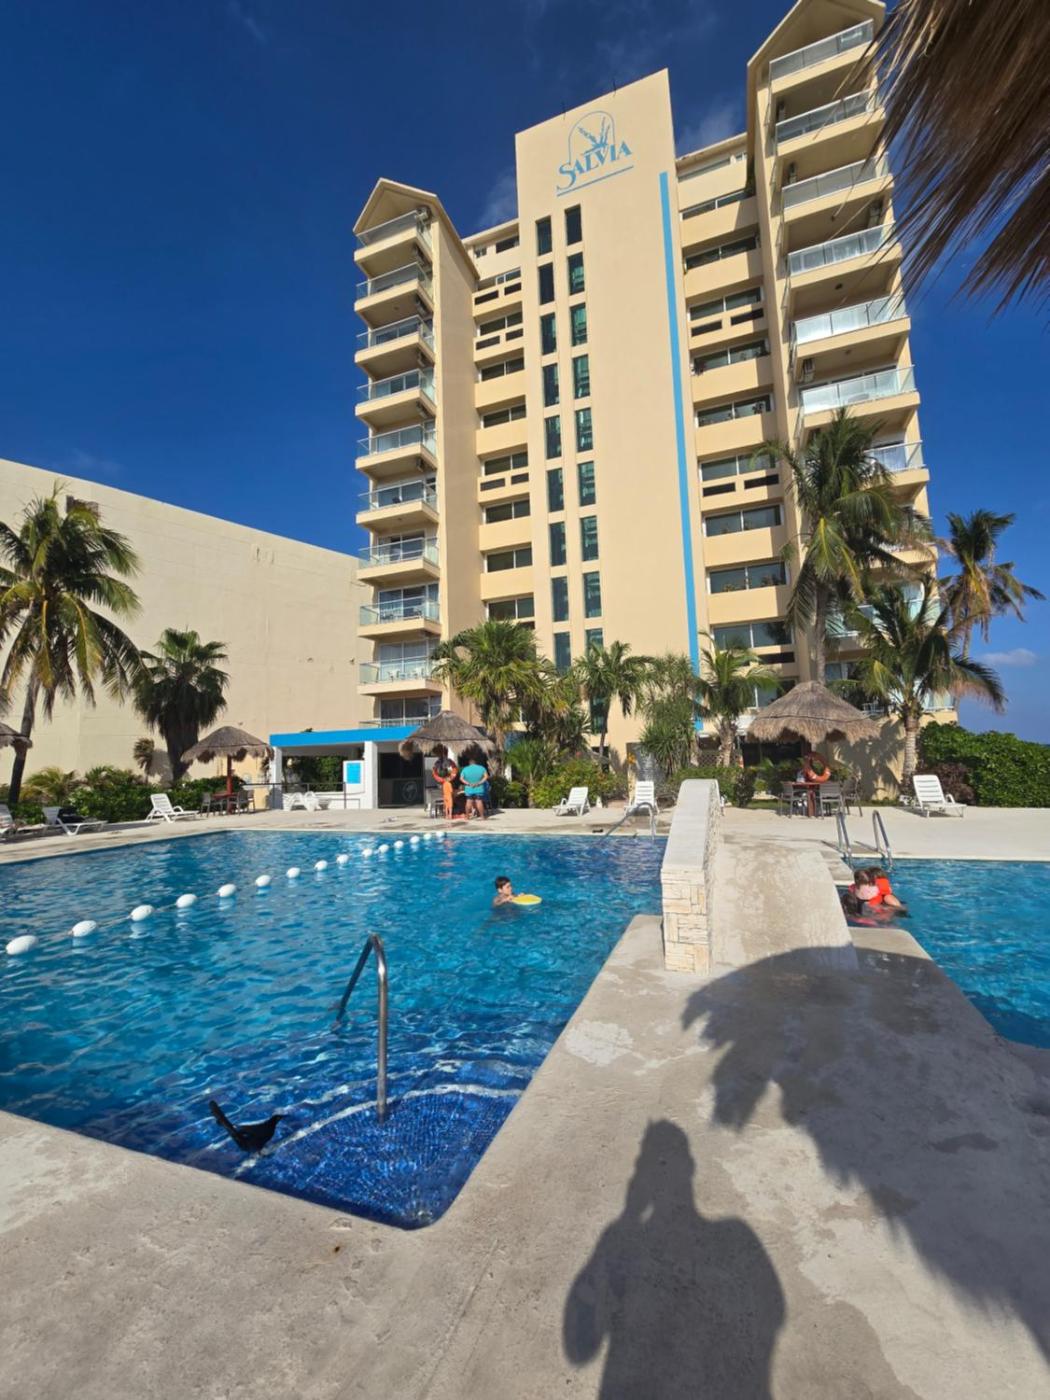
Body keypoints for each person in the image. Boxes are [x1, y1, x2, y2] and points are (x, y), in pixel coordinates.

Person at [459, 754, 490, 820]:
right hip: (479, 788)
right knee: (479, 801)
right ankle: (482, 817)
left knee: (468, 802)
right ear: (475, 763)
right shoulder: (481, 768)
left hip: (469, 788)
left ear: (469, 763)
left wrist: (468, 783)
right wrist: (479, 783)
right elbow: (486, 777)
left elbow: (461, 778)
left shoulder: (465, 769)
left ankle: (467, 817)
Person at [432, 747, 458, 820]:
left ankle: (447, 814)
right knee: (448, 803)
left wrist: (446, 779)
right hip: (445, 783)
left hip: (445, 783)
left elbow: (454, 771)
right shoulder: (438, 763)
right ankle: (448, 814)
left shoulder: (448, 762)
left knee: (446, 803)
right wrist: (444, 780)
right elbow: (434, 773)